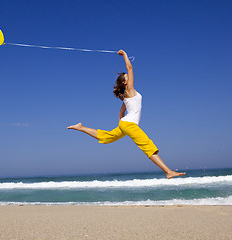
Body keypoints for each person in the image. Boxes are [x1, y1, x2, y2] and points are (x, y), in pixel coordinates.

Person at [67, 49, 185, 179]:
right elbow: (130, 67)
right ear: (125, 82)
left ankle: (80, 127)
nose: (130, 78)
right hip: (129, 125)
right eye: (127, 78)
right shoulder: (129, 90)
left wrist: (121, 123)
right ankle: (168, 171)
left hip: (126, 124)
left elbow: (121, 111)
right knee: (147, 146)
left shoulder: (127, 96)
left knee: (107, 137)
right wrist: (124, 55)